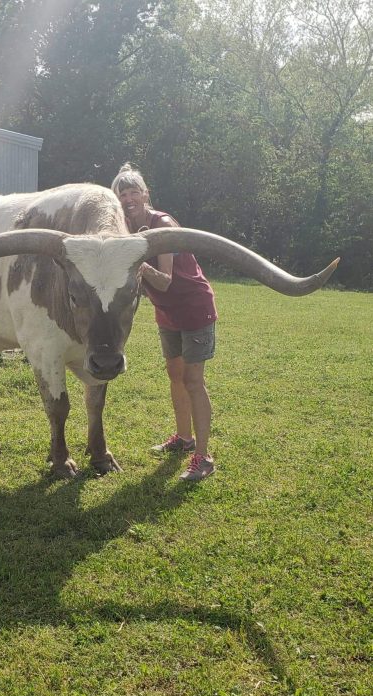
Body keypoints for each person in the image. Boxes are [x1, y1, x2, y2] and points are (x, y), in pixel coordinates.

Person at [111, 163, 217, 481]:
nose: (128, 198)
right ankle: (184, 439)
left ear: (146, 194)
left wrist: (138, 262)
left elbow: (166, 281)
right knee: (175, 375)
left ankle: (204, 457)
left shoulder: (163, 224)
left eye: (134, 192)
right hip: (167, 312)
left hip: (193, 308)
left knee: (193, 381)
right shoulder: (125, 228)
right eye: (122, 193)